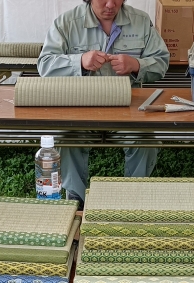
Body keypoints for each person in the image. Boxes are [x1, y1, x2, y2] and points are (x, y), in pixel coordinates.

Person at [37, 0, 170, 205]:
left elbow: (161, 61)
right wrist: (79, 61)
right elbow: (45, 64)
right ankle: (77, 199)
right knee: (66, 139)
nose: (110, 4)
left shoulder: (141, 21)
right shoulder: (67, 22)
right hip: (81, 109)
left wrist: (136, 65)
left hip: (127, 110)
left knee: (145, 141)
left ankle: (134, 198)